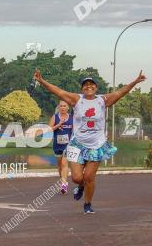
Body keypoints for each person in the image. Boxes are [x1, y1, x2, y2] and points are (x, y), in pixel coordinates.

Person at [33, 69, 146, 213]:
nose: (88, 86)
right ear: (82, 88)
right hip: (77, 144)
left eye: (91, 84)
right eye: (85, 84)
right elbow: (58, 91)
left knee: (89, 177)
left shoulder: (102, 100)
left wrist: (135, 82)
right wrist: (42, 81)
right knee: (76, 178)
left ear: (96, 87)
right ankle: (80, 187)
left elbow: (120, 92)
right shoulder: (77, 100)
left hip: (96, 145)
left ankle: (87, 204)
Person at [48, 100, 73, 194]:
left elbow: (75, 131)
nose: (62, 108)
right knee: (59, 166)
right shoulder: (55, 117)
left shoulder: (72, 118)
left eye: (64, 106)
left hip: (68, 145)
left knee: (64, 164)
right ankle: (63, 182)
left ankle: (64, 186)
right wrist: (58, 125)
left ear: (68, 107)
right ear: (58, 107)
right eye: (61, 106)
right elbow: (49, 129)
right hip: (57, 145)